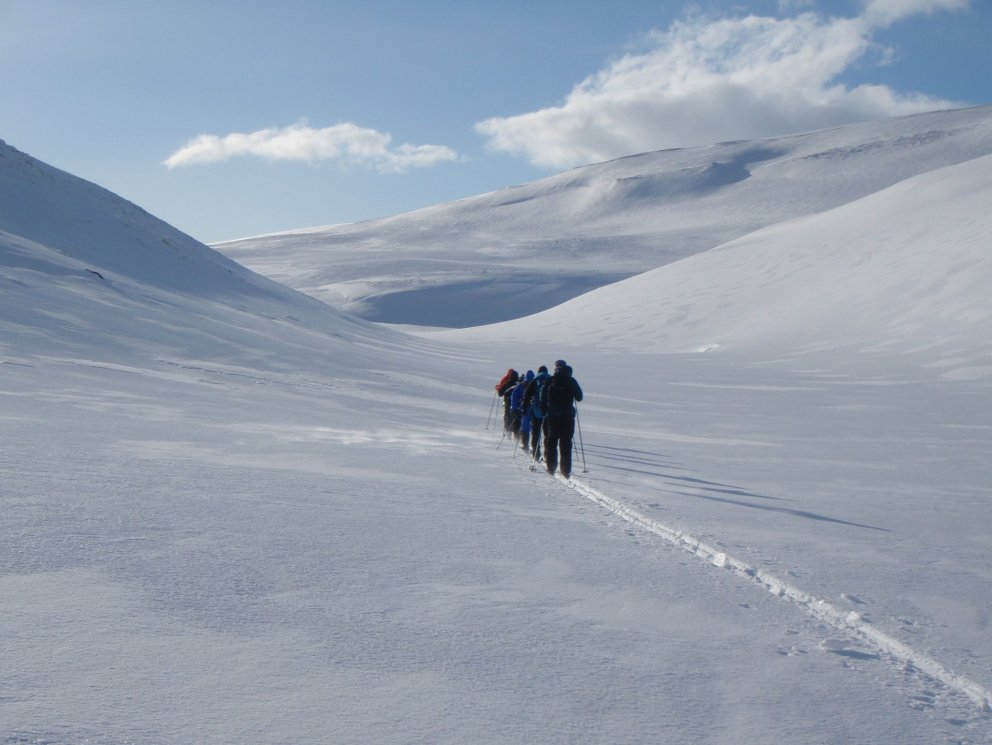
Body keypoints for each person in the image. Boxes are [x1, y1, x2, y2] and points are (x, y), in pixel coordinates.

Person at [541, 359, 583, 479]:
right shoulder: (571, 380)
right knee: (566, 443)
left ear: (555, 368)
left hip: (552, 416)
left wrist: (544, 409)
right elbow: (579, 397)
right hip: (568, 416)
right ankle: (566, 470)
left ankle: (551, 467)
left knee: (551, 441)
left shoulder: (550, 380)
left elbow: (542, 396)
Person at [522, 365, 551, 459]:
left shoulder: (534, 381)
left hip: (536, 412)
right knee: (548, 435)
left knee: (535, 433)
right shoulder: (551, 380)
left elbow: (527, 395)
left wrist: (524, 407)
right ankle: (548, 457)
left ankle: (536, 454)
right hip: (548, 414)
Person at [510, 370, 535, 450]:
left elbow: (514, 396)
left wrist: (514, 408)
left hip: (522, 408)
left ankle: (523, 442)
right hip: (532, 408)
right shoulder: (535, 384)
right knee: (531, 426)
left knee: (524, 425)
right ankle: (531, 444)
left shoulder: (520, 385)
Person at [495, 368, 519, 433]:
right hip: (517, 403)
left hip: (507, 402)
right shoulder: (519, 384)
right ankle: (515, 430)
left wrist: (497, 388)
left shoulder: (507, 383)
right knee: (515, 416)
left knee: (507, 415)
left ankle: (507, 430)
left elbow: (500, 393)